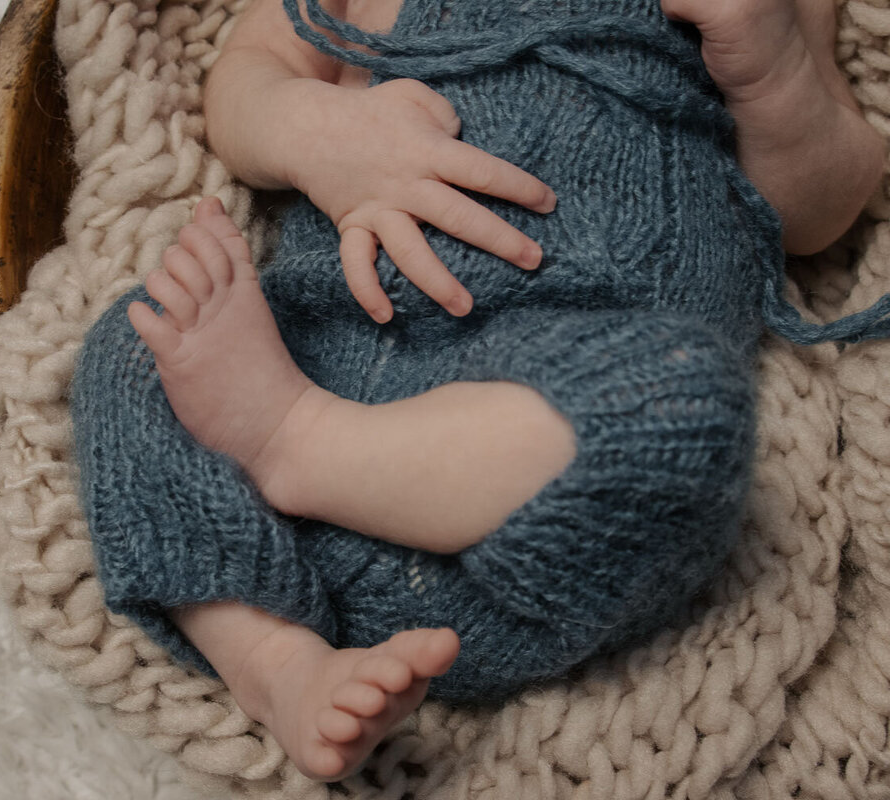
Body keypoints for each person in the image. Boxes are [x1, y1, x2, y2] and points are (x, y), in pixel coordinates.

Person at [70, 0, 885, 781]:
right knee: (144, 337)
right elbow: (246, 80)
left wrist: (774, 73)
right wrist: (313, 131)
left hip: (517, 516)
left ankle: (297, 440)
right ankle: (275, 662)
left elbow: (815, 215)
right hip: (325, 371)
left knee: (680, 409)